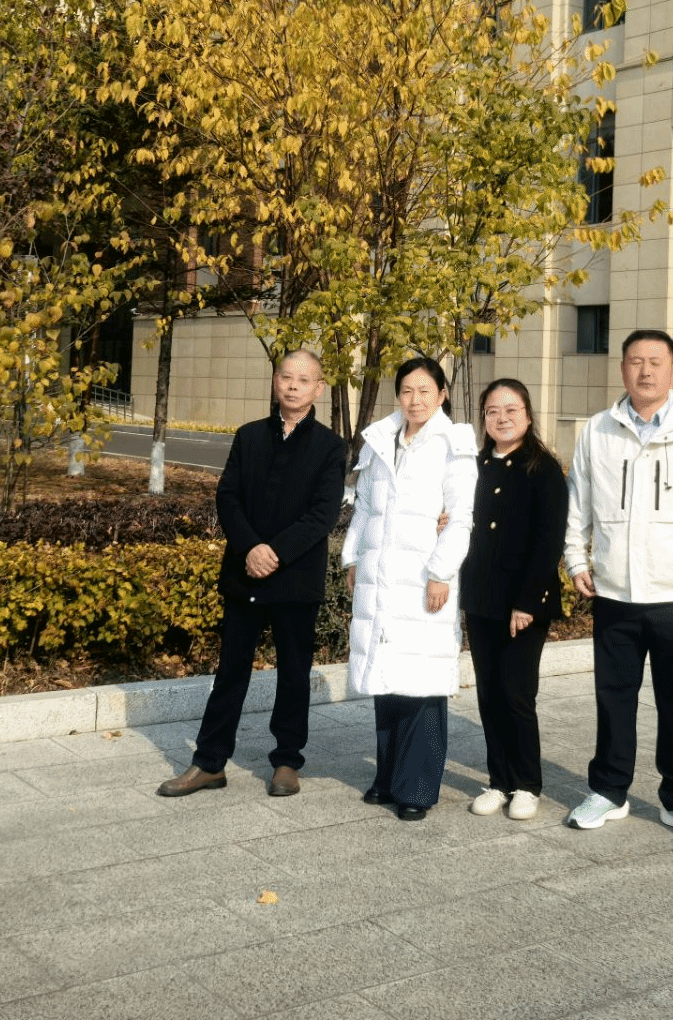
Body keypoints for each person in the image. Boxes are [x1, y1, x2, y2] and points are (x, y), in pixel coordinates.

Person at [562, 329, 673, 842]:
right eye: (635, 361)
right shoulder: (598, 430)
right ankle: (609, 791)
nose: (645, 371)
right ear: (622, 369)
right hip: (615, 591)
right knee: (613, 697)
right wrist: (575, 558)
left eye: (655, 362)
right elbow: (578, 499)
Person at [158, 350, 346, 799]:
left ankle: (286, 761)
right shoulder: (248, 436)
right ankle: (209, 762)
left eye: (304, 380)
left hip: (295, 578)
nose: (293, 386)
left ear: (319, 389)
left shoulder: (330, 446)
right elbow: (228, 498)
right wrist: (251, 548)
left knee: (293, 674)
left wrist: (274, 552)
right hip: (245, 573)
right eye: (286, 377)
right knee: (231, 672)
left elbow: (323, 514)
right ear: (275, 381)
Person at [342, 357, 476, 820]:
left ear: (442, 395)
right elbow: (364, 507)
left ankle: (416, 788)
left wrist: (441, 572)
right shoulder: (382, 439)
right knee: (386, 677)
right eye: (406, 391)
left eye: (425, 391)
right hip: (381, 576)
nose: (415, 400)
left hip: (423, 579)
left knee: (421, 682)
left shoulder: (453, 444)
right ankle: (388, 777)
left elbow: (461, 517)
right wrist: (353, 557)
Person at [460, 378, 567, 822]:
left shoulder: (543, 469)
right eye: (492, 411)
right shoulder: (475, 466)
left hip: (523, 603)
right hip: (481, 598)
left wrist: (527, 602)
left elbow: (548, 542)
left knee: (517, 693)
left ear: (527, 415)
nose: (501, 418)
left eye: (511, 410)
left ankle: (526, 784)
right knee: (489, 693)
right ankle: (499, 780)